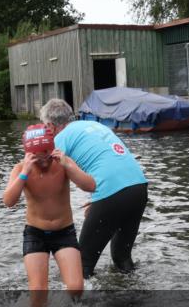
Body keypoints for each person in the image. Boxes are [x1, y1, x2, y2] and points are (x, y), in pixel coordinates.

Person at [40, 98, 148, 278]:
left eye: (45, 127)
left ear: (50, 126)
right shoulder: (95, 125)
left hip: (112, 192)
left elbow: (47, 180)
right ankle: (135, 293)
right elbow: (106, 161)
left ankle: (81, 297)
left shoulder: (60, 138)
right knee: (122, 258)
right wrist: (98, 201)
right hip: (138, 188)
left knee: (82, 265)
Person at [3, 124, 95, 302]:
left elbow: (90, 186)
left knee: (76, 288)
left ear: (52, 147)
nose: (44, 159)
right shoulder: (21, 169)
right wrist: (24, 173)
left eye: (46, 152)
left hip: (64, 232)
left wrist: (68, 166)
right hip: (35, 234)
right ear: (29, 153)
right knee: (38, 292)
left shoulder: (63, 163)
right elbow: (8, 201)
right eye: (37, 155)